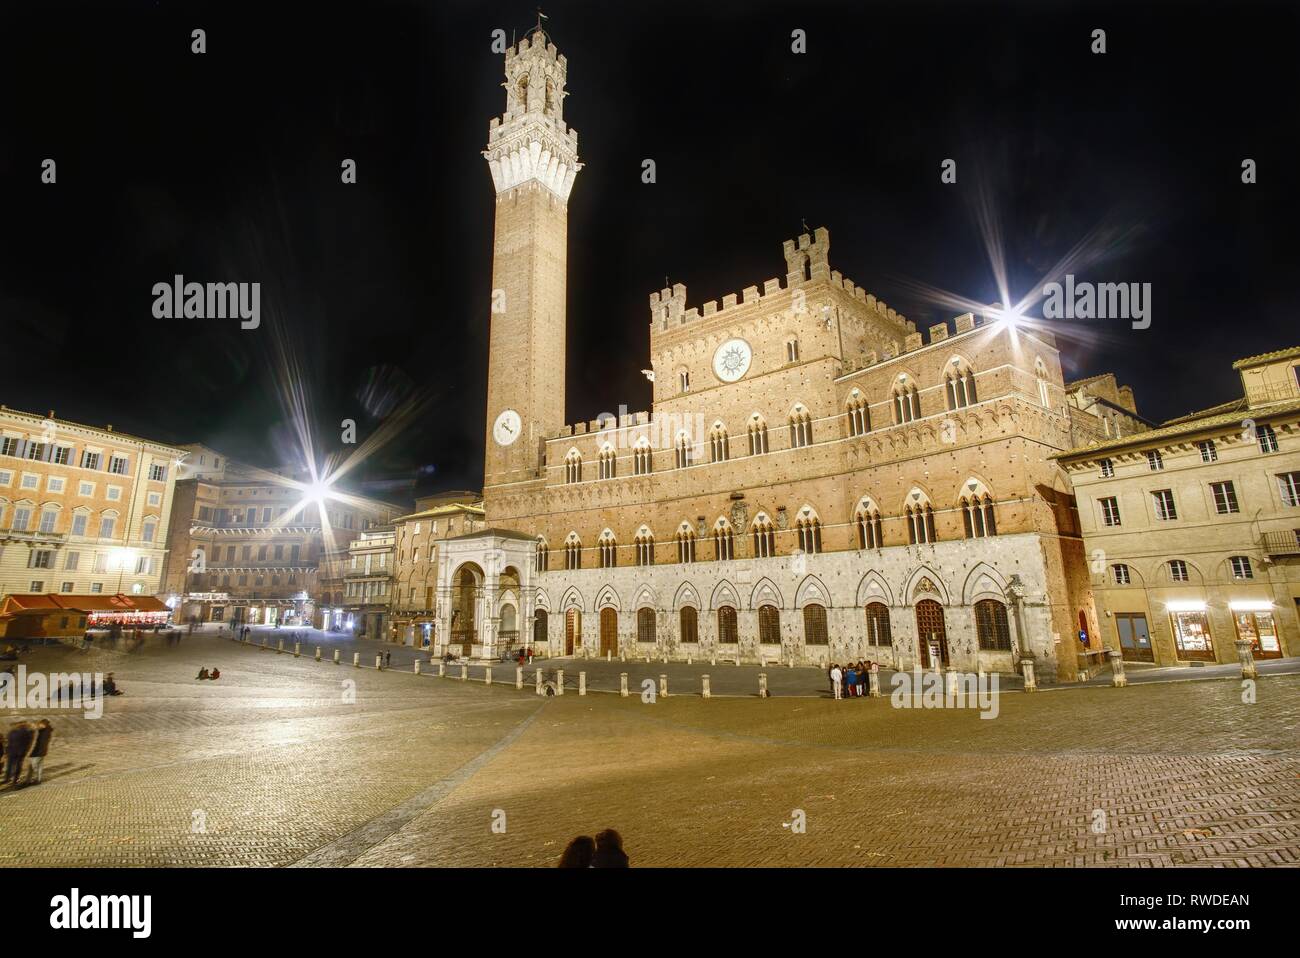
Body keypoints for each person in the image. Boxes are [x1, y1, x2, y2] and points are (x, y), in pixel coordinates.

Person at [4, 722, 33, 786]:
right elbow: (29, 743)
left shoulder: (11, 732)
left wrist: (6, 752)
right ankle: (15, 779)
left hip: (11, 752)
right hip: (20, 752)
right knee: (18, 765)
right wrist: (26, 751)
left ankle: (7, 778)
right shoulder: (27, 732)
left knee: (10, 765)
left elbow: (8, 743)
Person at [27, 720, 53, 785]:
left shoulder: (44, 732)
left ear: (44, 724)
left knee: (33, 767)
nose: (39, 725)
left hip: (38, 752)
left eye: (40, 724)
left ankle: (31, 781)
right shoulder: (46, 731)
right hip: (41, 752)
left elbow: (41, 744)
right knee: (39, 767)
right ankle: (38, 780)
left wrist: (35, 752)